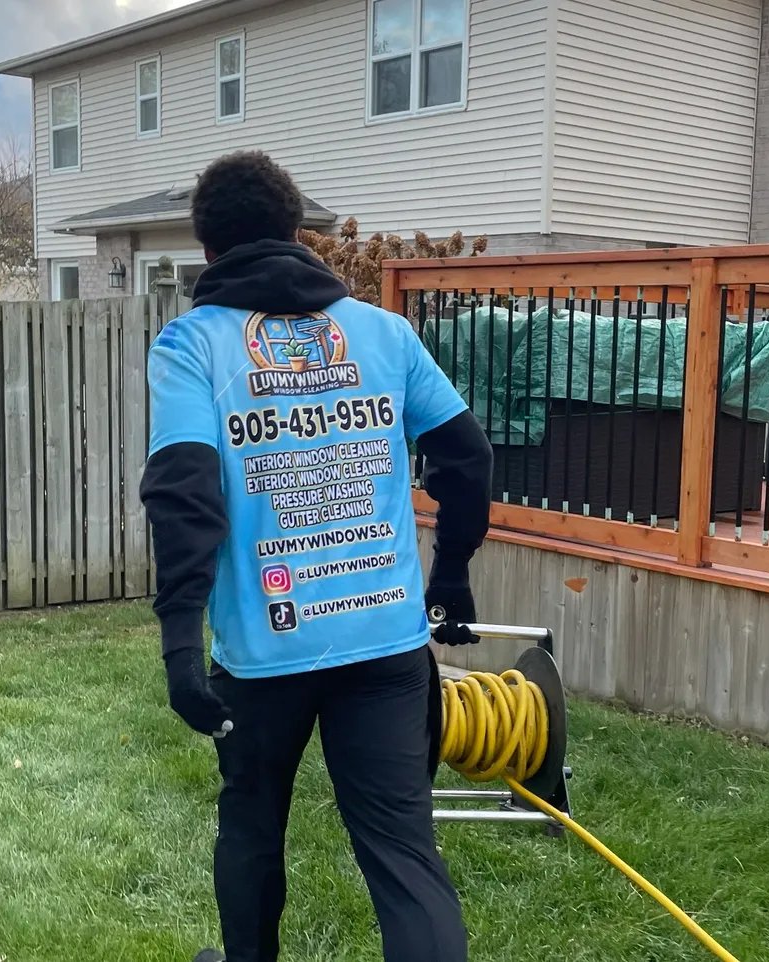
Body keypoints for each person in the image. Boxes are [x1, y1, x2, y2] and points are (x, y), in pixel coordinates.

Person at [139, 150, 493, 962]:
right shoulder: (384, 334)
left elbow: (184, 493)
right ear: (300, 234)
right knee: (404, 855)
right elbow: (468, 461)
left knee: (253, 828)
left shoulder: (192, 345)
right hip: (386, 644)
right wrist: (452, 575)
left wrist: (178, 642)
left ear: (206, 250)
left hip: (264, 654)